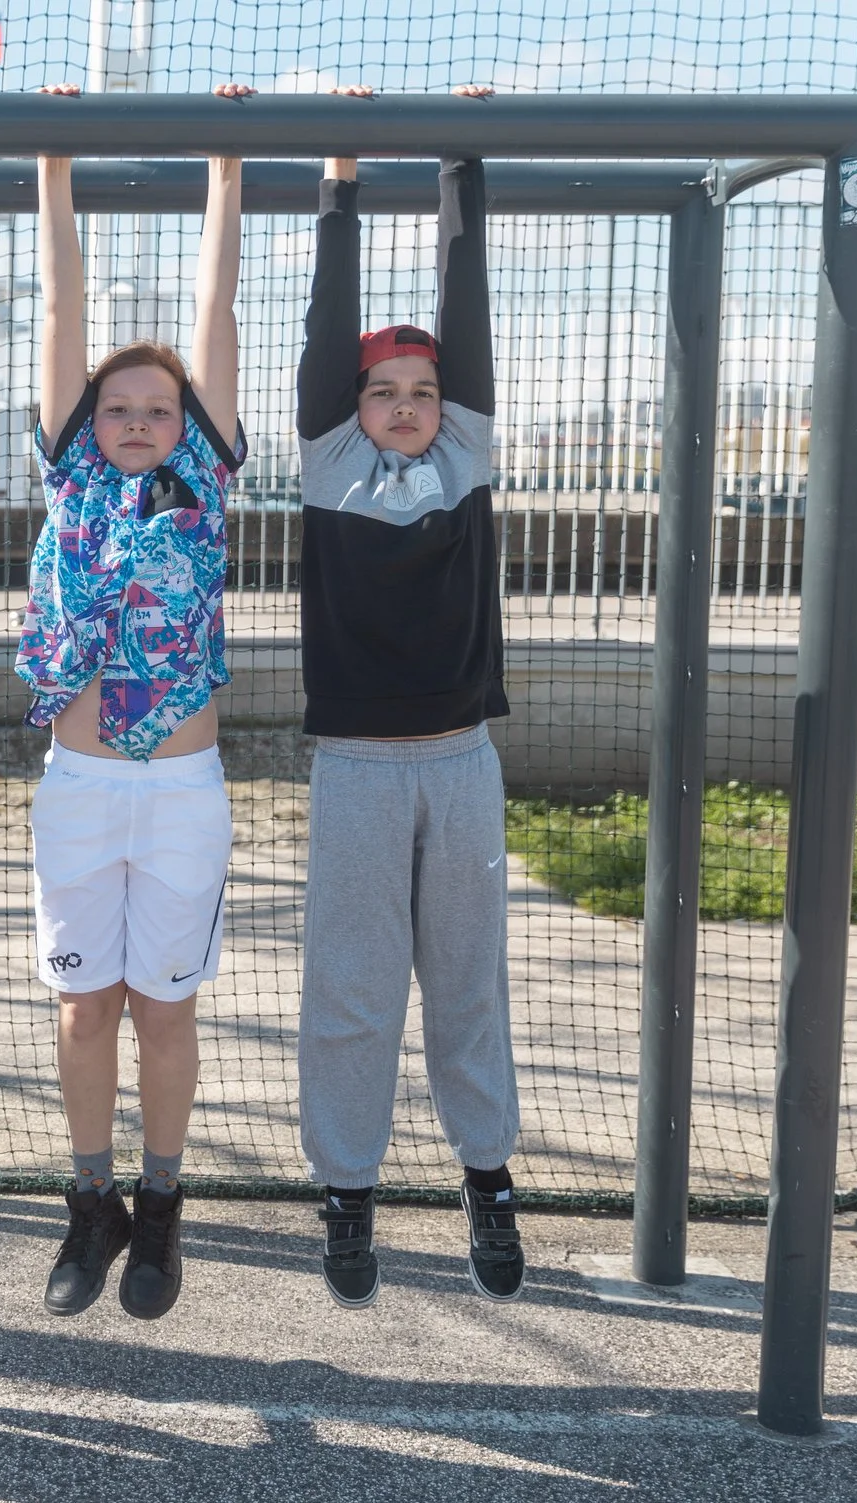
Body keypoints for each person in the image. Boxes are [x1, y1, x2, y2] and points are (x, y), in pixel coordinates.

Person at [17, 82, 253, 1321]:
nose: (138, 422)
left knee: (164, 1008)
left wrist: (227, 166)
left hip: (179, 791)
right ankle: (90, 1201)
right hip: (79, 784)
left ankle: (162, 1208)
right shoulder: (69, 468)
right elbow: (63, 302)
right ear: (87, 420)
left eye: (159, 410)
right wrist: (53, 163)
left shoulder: (203, 481)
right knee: (81, 1007)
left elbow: (213, 312)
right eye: (119, 407)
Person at [294, 85, 525, 1309]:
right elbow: (334, 332)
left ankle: (486, 1175)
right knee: (351, 986)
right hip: (360, 772)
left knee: (466, 977)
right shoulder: (329, 466)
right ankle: (347, 1192)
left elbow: (465, 311)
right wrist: (338, 177)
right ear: (351, 405)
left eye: (420, 395)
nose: (401, 409)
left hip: (459, 761)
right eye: (382, 392)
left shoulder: (464, 464)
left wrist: (460, 165)